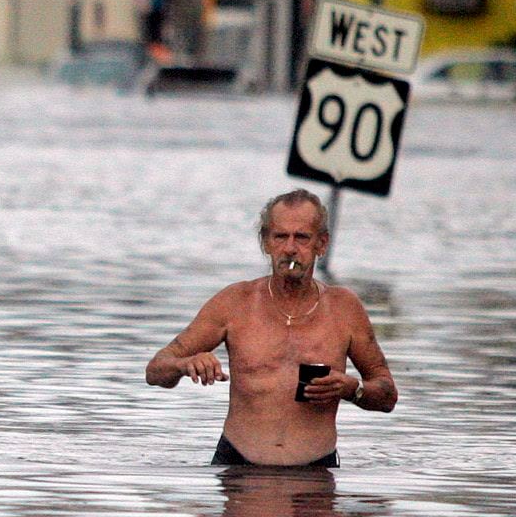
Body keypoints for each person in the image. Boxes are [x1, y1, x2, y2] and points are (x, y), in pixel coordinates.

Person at [145, 189, 397, 467]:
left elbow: (387, 396)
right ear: (266, 242)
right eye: (280, 237)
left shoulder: (344, 308)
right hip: (238, 467)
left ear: (321, 244)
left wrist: (352, 388)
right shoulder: (234, 302)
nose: (290, 248)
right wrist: (187, 364)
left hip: (315, 473)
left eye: (301, 237)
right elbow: (156, 370)